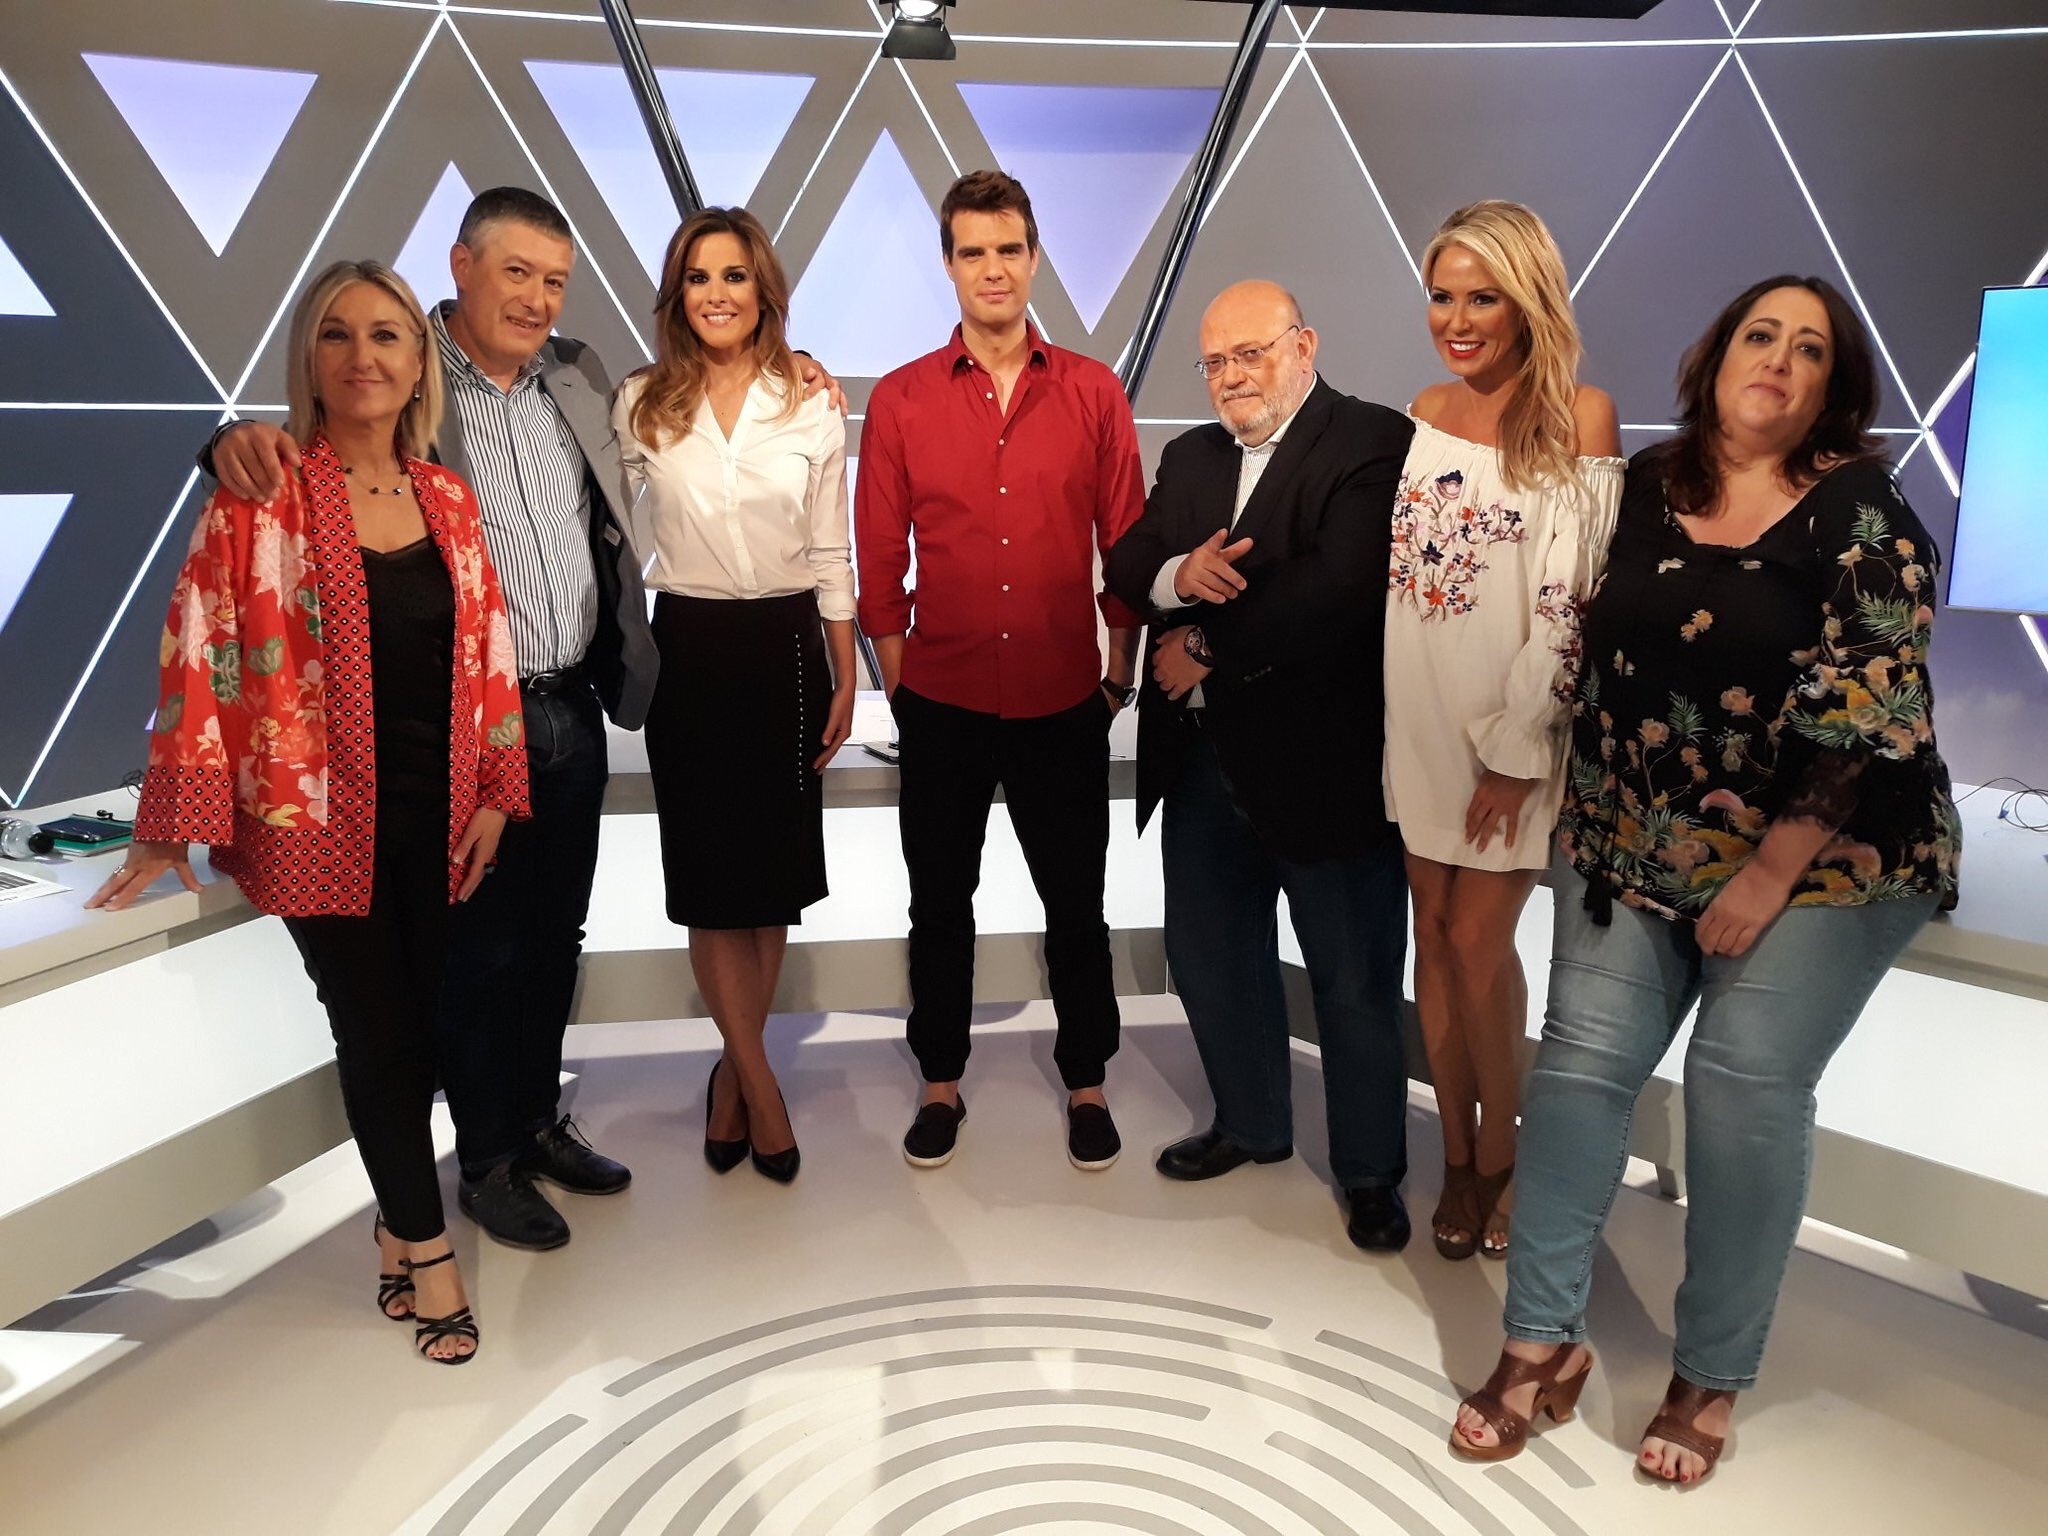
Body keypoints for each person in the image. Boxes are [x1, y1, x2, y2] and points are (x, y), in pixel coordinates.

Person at [202, 188, 841, 1249]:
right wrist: (227, 441)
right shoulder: (412, 377)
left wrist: (795, 362)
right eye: (516, 274)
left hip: (570, 702)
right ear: (460, 266)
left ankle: (537, 1122)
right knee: (478, 949)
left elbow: (693, 424)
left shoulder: (578, 377)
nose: (538, 299)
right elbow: (322, 430)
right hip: (464, 722)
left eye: (554, 281)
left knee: (554, 935)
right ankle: (488, 1157)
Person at [1448, 276, 1959, 1481]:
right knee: (1577, 1068)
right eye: (1757, 336)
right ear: (1714, 357)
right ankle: (1537, 1344)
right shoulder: (1641, 485)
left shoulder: (1861, 511)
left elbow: (1865, 716)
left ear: (1832, 388)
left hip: (1826, 856)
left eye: (1807, 349)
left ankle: (1708, 1373)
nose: (1776, 359)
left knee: (1739, 1084)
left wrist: (1765, 875)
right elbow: (1578, 641)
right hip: (1637, 836)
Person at [91, 260, 530, 1364]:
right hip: (313, 823)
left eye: (386, 335)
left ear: (419, 362)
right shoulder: (260, 496)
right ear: (310, 359)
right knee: (376, 1034)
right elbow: (198, 649)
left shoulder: (448, 500)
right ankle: (429, 1250)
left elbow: (488, 648)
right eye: (337, 334)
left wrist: (495, 788)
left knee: (422, 1031)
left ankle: (392, 1223)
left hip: (438, 815)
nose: (362, 356)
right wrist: (169, 823)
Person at [1103, 280, 1418, 1253]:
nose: (1231, 376)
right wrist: (1177, 576)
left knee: (1353, 980)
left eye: (1251, 353)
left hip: (1325, 765)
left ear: (1303, 346)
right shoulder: (1190, 455)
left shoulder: (1371, 438)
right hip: (1201, 764)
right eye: (1215, 361)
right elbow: (1128, 562)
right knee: (1211, 958)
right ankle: (1250, 1123)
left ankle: (1370, 1173)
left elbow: (1338, 589)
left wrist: (1204, 642)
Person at [857, 169, 1144, 1172]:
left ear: (1033, 257)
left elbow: (1126, 541)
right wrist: (903, 685)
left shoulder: (1094, 390)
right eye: (972, 251)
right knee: (939, 905)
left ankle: (1087, 1079)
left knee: (1077, 906)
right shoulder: (900, 399)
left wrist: (1117, 673)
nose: (992, 269)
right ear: (948, 264)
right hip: (941, 700)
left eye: (1008, 249)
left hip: (1065, 698)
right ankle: (940, 1080)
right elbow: (876, 557)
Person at [1383, 202, 1622, 1262]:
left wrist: (1517, 753)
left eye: (1482, 297)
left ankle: (1504, 1154)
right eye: (1442, 296)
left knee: (1480, 943)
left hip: (1515, 732)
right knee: (1431, 938)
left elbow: (1571, 606)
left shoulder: (1580, 416)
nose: (1457, 319)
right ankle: (1454, 1153)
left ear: (1528, 302)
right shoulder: (1425, 409)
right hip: (1416, 714)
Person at [612, 207, 854, 1183]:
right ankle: (758, 1085)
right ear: (678, 294)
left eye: (734, 275)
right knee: (713, 888)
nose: (716, 293)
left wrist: (847, 672)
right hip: (690, 650)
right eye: (698, 276)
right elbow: (602, 523)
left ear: (764, 292)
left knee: (768, 883)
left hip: (788, 648)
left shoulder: (810, 401)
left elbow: (830, 547)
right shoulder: (638, 403)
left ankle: (732, 1078)